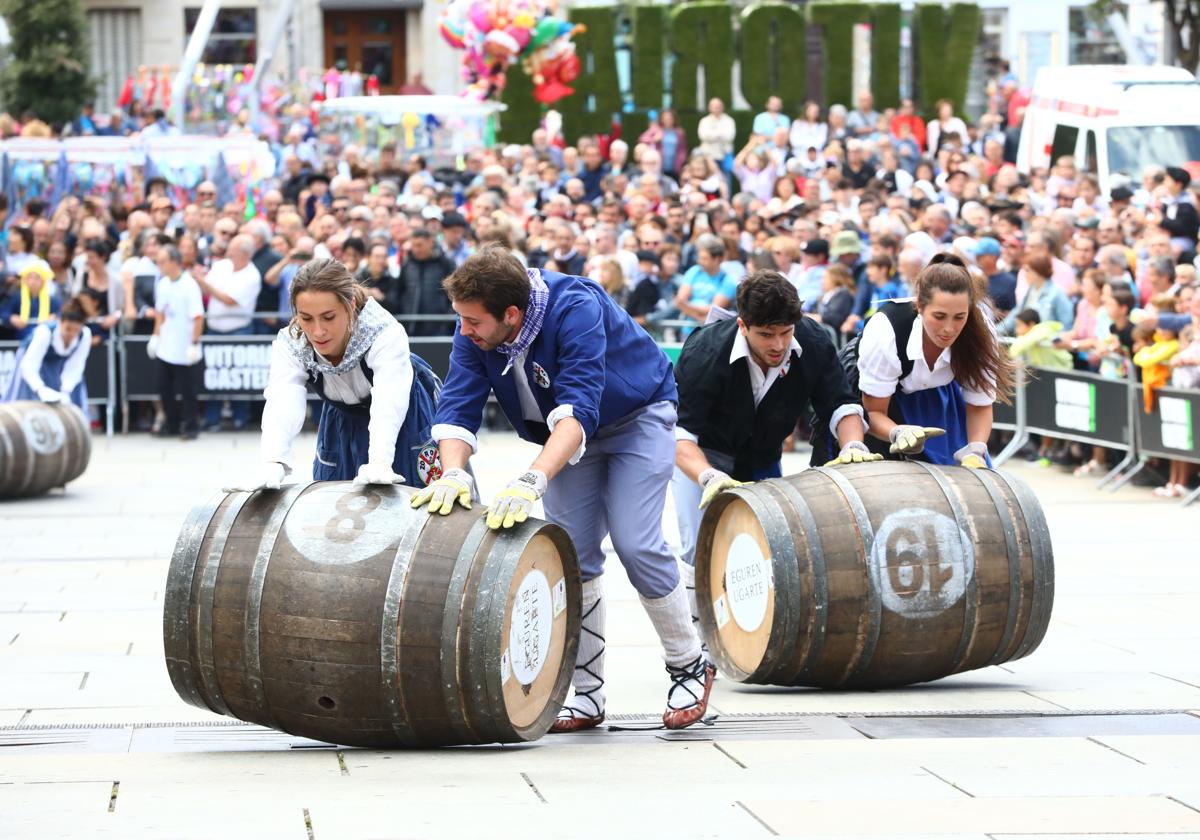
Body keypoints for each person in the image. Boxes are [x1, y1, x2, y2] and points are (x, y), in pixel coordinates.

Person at [409, 247, 714, 732]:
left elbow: (579, 407)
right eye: (461, 321)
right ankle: (587, 694)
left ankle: (689, 664)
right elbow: (457, 405)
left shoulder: (577, 306)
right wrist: (452, 474)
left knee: (636, 542)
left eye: (472, 323)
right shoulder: (477, 322)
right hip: (565, 434)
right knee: (573, 556)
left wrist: (532, 479)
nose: (464, 331)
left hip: (637, 417)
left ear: (511, 314)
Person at [671, 271, 877, 623]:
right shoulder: (704, 351)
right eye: (766, 334)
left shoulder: (813, 341)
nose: (778, 345)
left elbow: (841, 405)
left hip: (764, 454)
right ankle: (698, 643)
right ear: (742, 325)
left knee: (766, 548)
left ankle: (752, 630)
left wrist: (853, 443)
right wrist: (708, 476)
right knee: (698, 550)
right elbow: (678, 435)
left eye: (786, 332)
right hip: (705, 454)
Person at [225, 257, 441, 491]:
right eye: (306, 318)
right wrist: (274, 460)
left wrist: (380, 460)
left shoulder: (383, 331)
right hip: (342, 419)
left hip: (404, 415)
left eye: (329, 317)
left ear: (349, 304)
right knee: (334, 499)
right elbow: (283, 397)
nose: (318, 331)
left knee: (410, 493)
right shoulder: (291, 341)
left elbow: (390, 399)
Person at [858, 253, 1015, 466]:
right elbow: (874, 412)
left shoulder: (981, 332)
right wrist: (897, 432)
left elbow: (979, 406)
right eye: (939, 316)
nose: (949, 328)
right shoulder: (886, 330)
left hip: (941, 404)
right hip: (881, 407)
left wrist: (976, 449)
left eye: (960, 317)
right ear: (919, 306)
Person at [197, 234, 262, 431]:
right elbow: (209, 291)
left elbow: (229, 300)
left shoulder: (252, 275)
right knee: (212, 376)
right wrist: (205, 284)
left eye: (233, 247)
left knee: (238, 377)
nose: (228, 249)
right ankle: (212, 418)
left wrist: (203, 282)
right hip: (214, 329)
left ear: (243, 253)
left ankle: (240, 418)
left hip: (239, 331)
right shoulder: (221, 266)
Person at [147, 245, 204, 440]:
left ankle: (191, 426)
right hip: (166, 345)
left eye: (163, 261)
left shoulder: (189, 285)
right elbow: (160, 312)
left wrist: (194, 343)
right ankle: (171, 424)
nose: (159, 265)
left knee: (187, 390)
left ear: (174, 262)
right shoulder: (163, 284)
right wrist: (155, 336)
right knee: (163, 387)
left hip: (184, 345)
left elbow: (198, 316)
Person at [2, 297, 90, 411]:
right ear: (61, 323)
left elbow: (76, 365)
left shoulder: (85, 335)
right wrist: (40, 389)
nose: (72, 334)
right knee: (24, 399)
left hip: (57, 367)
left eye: (76, 330)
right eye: (68, 329)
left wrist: (65, 390)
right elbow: (29, 365)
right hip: (31, 362)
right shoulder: (45, 332)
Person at [2, 260, 61, 340]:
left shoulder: (52, 300)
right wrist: (11, 317)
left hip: (44, 338)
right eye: (30, 278)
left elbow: (60, 313)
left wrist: (54, 317)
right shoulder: (16, 298)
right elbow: (4, 311)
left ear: (43, 281)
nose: (33, 282)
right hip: (22, 337)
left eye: (37, 278)